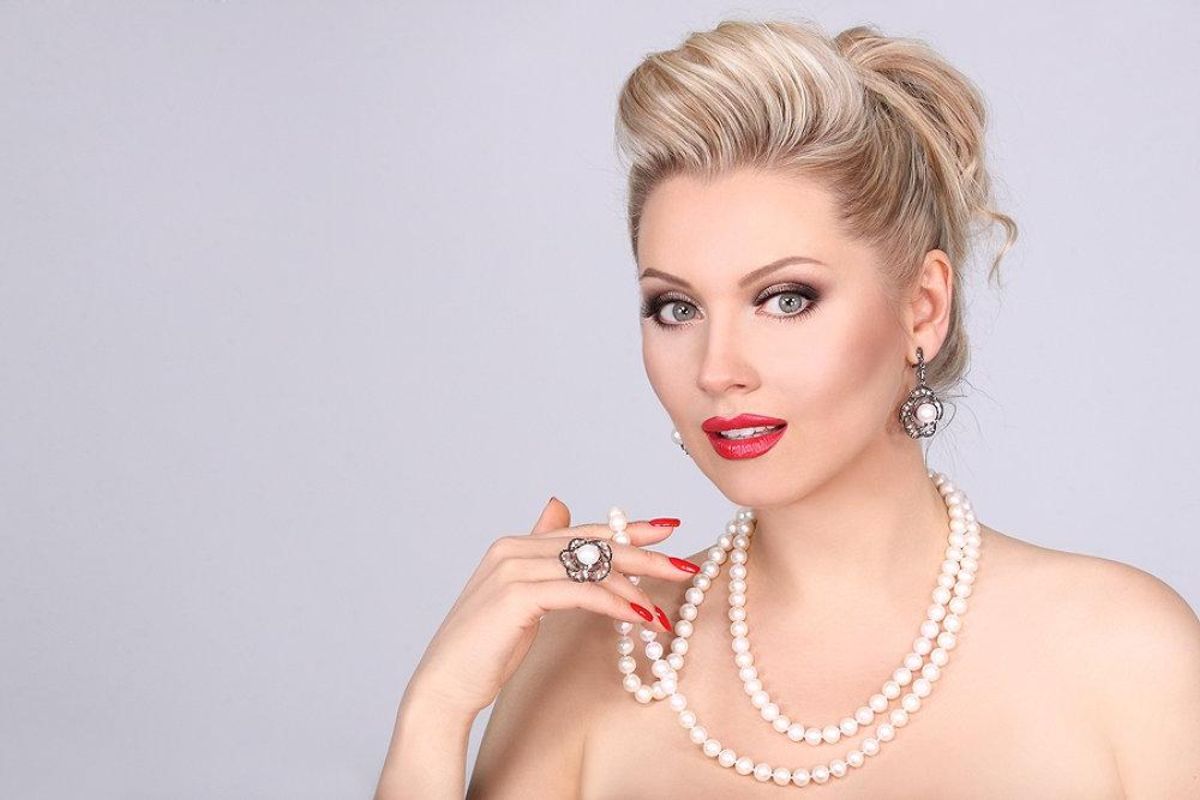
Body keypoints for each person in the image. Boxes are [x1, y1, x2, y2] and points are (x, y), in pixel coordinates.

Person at [375, 18, 1200, 799]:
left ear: (923, 307)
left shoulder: (1124, 655)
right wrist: (435, 709)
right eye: (675, 308)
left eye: (785, 298)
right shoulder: (589, 656)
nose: (718, 370)